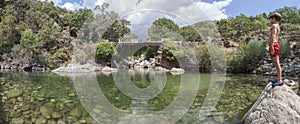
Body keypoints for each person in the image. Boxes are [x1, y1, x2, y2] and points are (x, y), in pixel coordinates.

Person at [268, 12, 283, 87]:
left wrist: (272, 46)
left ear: (274, 19)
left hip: (274, 45)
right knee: (276, 62)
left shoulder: (274, 25)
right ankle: (278, 79)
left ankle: (279, 80)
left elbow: (273, 36)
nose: (269, 20)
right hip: (275, 44)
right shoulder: (277, 26)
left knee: (277, 62)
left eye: (270, 18)